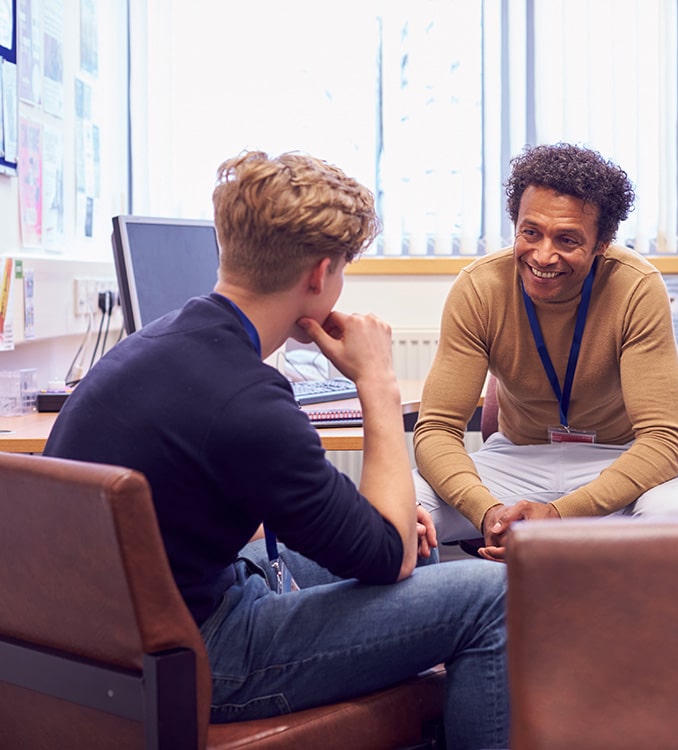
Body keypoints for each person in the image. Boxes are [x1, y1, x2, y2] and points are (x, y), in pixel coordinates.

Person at [44, 150, 509, 749]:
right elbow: (386, 556)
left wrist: (387, 535)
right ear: (319, 276)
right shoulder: (248, 400)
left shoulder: (159, 341)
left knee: (421, 550)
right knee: (491, 596)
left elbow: (367, 535)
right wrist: (378, 383)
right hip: (200, 655)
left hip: (115, 632)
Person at [413, 142, 678, 562]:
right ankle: (447, 621)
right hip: (516, 460)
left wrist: (560, 514)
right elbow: (436, 430)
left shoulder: (637, 288)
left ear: (602, 243)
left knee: (677, 518)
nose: (543, 255)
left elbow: (663, 442)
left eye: (567, 239)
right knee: (400, 509)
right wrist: (489, 513)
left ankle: (635, 629)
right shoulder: (480, 288)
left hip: (616, 460)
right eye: (531, 232)